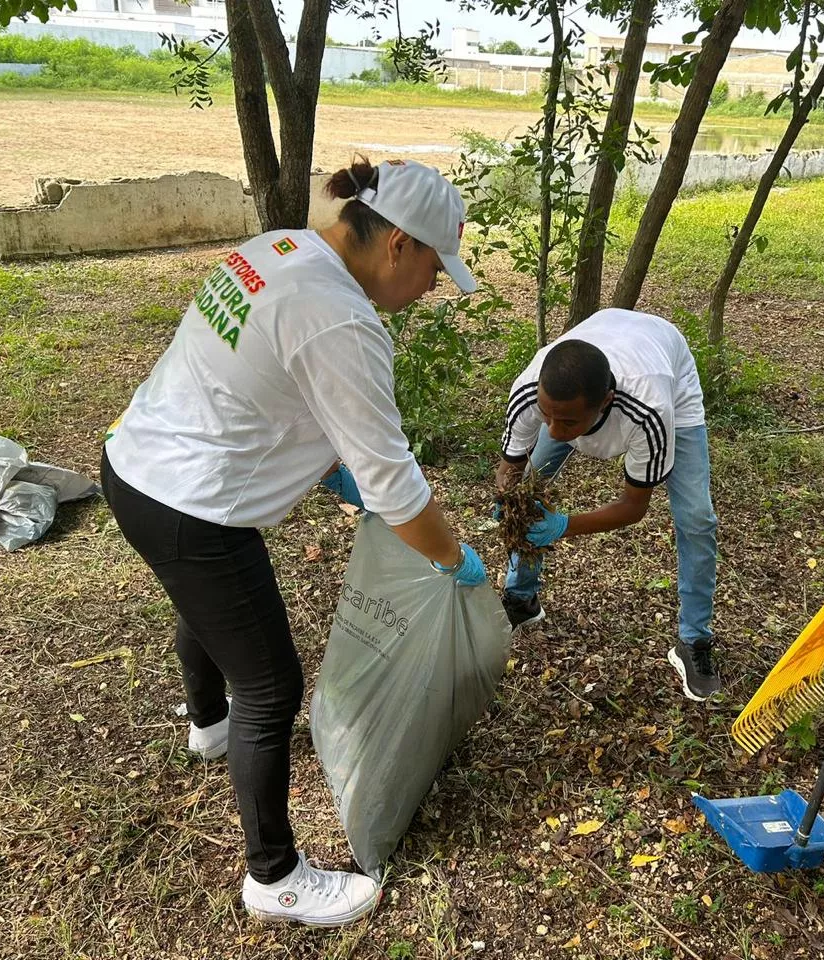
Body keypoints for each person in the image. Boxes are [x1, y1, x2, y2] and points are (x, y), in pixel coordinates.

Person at [101, 159, 487, 926]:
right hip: (192, 506)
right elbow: (395, 484)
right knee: (273, 684)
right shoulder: (341, 317)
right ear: (399, 245)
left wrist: (329, 471)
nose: (435, 288)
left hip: (135, 466)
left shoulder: (280, 249)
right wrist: (451, 558)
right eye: (437, 270)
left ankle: (209, 725)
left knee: (208, 610)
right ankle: (273, 876)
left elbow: (261, 389)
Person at [495, 308, 721, 701]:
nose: (552, 430)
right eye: (545, 416)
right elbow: (510, 468)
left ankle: (694, 640)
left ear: (605, 403)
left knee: (697, 518)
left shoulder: (650, 410)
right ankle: (521, 598)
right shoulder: (532, 390)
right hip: (608, 344)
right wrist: (509, 498)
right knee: (528, 491)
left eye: (565, 423)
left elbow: (634, 507)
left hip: (668, 372)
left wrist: (563, 524)